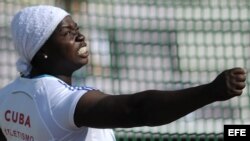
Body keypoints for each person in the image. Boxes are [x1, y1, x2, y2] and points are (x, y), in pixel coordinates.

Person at [0, 5, 247, 141]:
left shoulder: (7, 96)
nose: (80, 36)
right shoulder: (57, 100)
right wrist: (210, 92)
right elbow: (137, 109)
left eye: (77, 29)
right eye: (67, 33)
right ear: (41, 51)